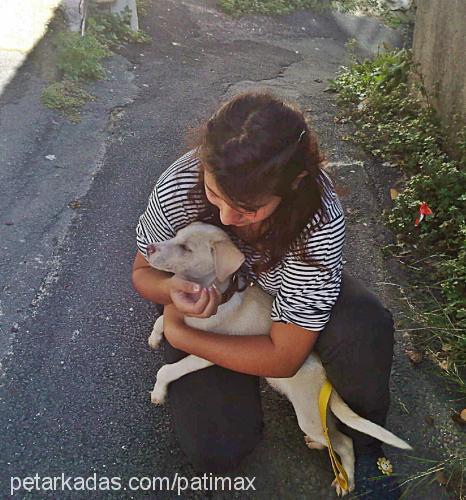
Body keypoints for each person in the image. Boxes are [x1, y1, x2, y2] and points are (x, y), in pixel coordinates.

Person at [132, 90, 400, 498]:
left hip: (279, 298)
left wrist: (183, 336)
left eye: (247, 208)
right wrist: (170, 289)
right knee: (217, 451)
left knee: (363, 325)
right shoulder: (180, 184)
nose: (226, 217)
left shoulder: (320, 220)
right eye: (215, 195)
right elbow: (142, 271)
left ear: (294, 183)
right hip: (212, 308)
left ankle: (367, 446)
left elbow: (285, 357)